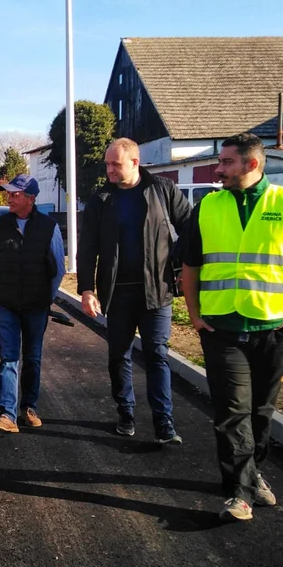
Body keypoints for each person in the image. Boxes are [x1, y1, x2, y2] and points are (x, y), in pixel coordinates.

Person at [181, 133, 283, 522]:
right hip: (222, 329)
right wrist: (194, 315)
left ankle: (253, 475)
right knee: (232, 411)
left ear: (252, 164)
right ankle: (239, 493)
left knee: (262, 412)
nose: (219, 169)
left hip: (274, 329)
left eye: (227, 162)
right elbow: (191, 266)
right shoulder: (207, 206)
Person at [77, 137, 192, 444]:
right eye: (107, 164)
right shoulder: (100, 199)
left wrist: (182, 269)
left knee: (157, 355)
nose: (109, 169)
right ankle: (126, 412)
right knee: (119, 356)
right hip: (117, 293)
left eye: (115, 164)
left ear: (135, 163)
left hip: (157, 291)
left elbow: (190, 230)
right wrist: (87, 289)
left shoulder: (163, 191)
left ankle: (164, 422)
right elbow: (87, 249)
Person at [0, 174, 66, 433]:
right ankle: (7, 415)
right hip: (6, 304)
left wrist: (46, 298)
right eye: (8, 193)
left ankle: (29, 407)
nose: (9, 197)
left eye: (15, 194)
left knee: (32, 358)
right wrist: (3, 289)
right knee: (8, 358)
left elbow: (58, 268)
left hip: (36, 305)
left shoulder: (49, 227)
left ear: (31, 199)